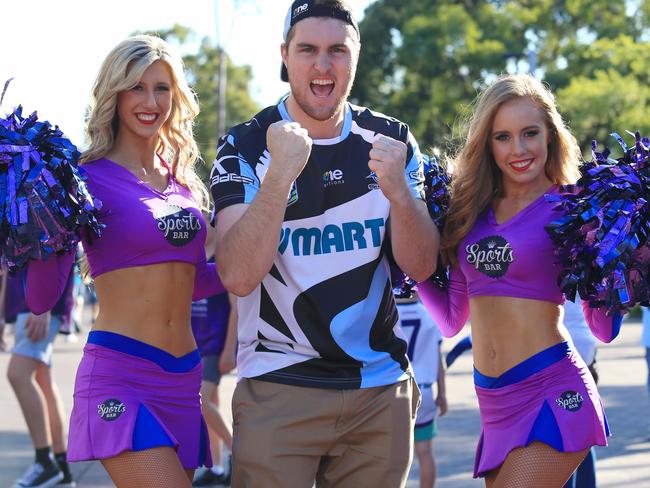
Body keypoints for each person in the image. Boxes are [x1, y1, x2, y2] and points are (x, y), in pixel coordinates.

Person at [210, 1, 438, 486]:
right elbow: (237, 274)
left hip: (378, 390)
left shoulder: (392, 140)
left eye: (337, 50)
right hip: (279, 385)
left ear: (356, 56)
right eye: (308, 49)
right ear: (285, 56)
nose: (322, 64)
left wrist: (400, 193)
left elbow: (419, 266)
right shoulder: (246, 144)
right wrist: (279, 175)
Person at [25, 35, 224, 487]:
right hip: (122, 376)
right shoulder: (82, 179)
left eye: (161, 87)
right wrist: (44, 226)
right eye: (136, 87)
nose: (150, 101)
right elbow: (41, 298)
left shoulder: (183, 186)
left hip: (182, 380)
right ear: (113, 95)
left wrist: (259, 258)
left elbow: (191, 284)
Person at [417, 73, 621, 487]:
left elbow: (604, 330)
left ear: (551, 135)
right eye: (503, 137)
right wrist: (414, 265)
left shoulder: (575, 209)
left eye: (530, 133)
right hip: (493, 403)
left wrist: (618, 264)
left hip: (552, 388)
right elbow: (452, 320)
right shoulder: (470, 212)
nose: (519, 149)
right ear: (487, 144)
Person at [7, 265, 76, 488]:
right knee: (42, 380)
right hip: (27, 304)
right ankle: (62, 469)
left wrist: (44, 307)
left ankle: (45, 463)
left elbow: (53, 244)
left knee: (18, 374)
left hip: (40, 304)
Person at [191, 226, 236, 487]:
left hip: (216, 343)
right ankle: (217, 467)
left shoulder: (224, 254)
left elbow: (236, 307)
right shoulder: (196, 252)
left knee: (201, 401)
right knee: (211, 406)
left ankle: (237, 453)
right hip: (197, 340)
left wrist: (230, 348)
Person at [395, 289, 447, 488]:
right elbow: (438, 359)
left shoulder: (388, 313)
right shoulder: (428, 314)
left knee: (393, 456)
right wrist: (442, 393)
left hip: (395, 389)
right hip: (424, 389)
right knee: (425, 452)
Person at [561, 298, 598, 488]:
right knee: (582, 430)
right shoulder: (583, 267)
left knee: (565, 434)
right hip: (585, 348)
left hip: (560, 352)